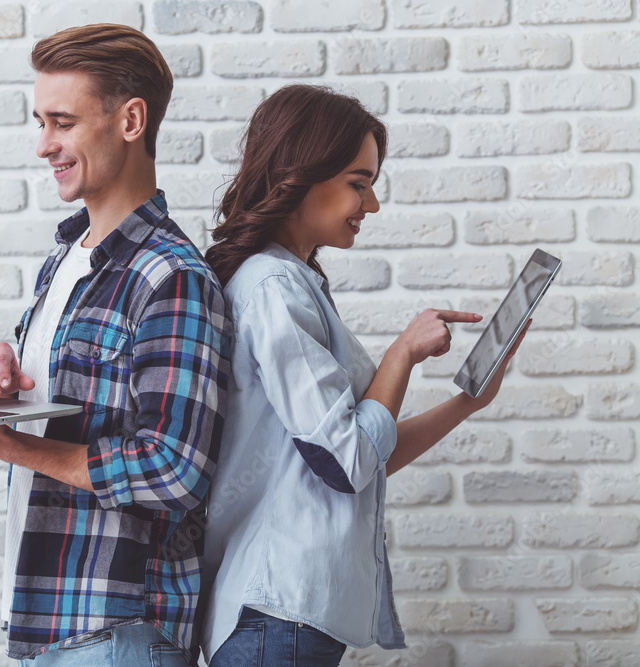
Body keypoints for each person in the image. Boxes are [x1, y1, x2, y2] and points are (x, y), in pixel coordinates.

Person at [0, 24, 230, 666]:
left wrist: (13, 444)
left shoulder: (170, 274)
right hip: (50, 617)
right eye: (40, 122)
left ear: (130, 120)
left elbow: (175, 468)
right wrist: (12, 384)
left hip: (117, 630)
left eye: (62, 122)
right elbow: (85, 402)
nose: (44, 145)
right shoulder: (67, 257)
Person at [198, 85, 528, 666]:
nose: (371, 205)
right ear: (300, 175)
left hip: (287, 618)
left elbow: (362, 457)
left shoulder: (293, 283)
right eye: (359, 182)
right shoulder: (272, 288)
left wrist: (468, 403)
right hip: (276, 613)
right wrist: (402, 351)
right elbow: (346, 461)